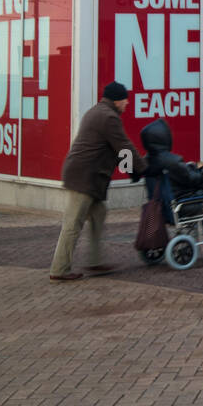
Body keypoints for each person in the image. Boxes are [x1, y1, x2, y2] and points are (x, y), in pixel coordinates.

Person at [49, 81, 147, 281]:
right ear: (117, 100)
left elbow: (116, 149)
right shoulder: (108, 117)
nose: (127, 103)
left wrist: (130, 170)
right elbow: (123, 146)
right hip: (83, 178)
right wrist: (142, 169)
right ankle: (59, 270)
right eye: (125, 99)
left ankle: (95, 262)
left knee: (99, 214)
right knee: (73, 223)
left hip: (87, 177)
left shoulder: (97, 112)